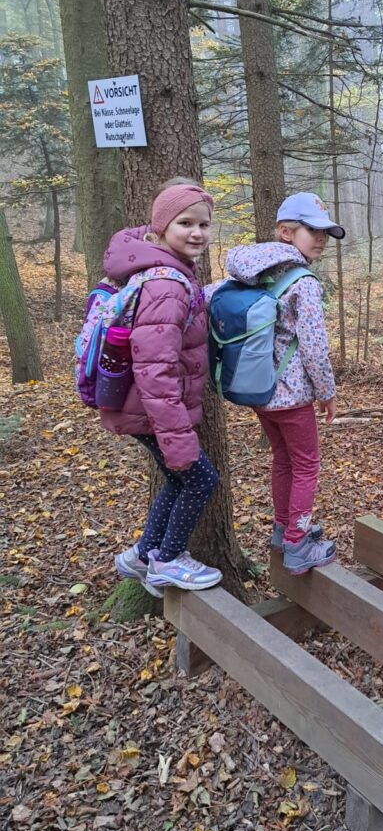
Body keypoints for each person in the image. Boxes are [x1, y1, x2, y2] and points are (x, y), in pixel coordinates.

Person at [104, 182, 222, 594]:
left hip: (143, 408)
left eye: (204, 224)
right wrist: (177, 437)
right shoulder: (168, 284)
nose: (197, 233)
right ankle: (167, 561)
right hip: (153, 411)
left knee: (178, 481)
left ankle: (142, 555)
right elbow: (155, 370)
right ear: (160, 228)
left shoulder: (165, 272)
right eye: (185, 223)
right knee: (202, 480)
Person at [222, 192, 341, 575]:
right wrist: (327, 392)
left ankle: (282, 528)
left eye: (325, 232)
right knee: (306, 465)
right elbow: (314, 347)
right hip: (292, 396)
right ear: (287, 232)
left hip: (262, 391)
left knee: (284, 460)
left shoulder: (258, 271)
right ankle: (297, 544)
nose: (320, 238)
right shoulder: (304, 283)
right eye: (312, 230)